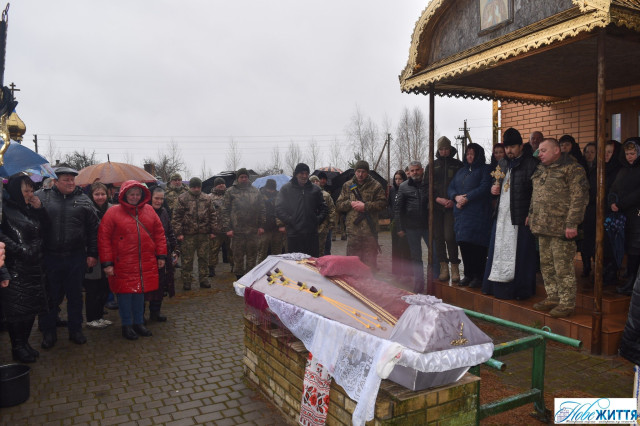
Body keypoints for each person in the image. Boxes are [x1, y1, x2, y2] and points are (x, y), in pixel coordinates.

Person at [37, 166, 100, 348]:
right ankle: (49, 331)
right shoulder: (42, 197)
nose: (71, 183)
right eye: (66, 179)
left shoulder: (84, 200)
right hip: (50, 256)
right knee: (50, 296)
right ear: (55, 181)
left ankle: (76, 330)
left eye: (72, 179)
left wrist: (92, 253)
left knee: (75, 296)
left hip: (75, 257)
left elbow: (93, 230)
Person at [98, 181, 167, 340]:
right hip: (123, 262)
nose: (135, 197)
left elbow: (159, 234)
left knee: (140, 293)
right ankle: (127, 325)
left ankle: (138, 322)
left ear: (142, 195)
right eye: (131, 194)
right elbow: (104, 239)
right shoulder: (113, 212)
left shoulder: (149, 210)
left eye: (137, 194)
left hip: (144, 260)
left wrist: (161, 255)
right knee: (125, 295)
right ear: (124, 195)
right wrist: (107, 263)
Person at [529, 138, 589, 318]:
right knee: (547, 266)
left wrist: (572, 224)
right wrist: (531, 214)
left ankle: (567, 303)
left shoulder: (573, 169)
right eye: (539, 151)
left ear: (556, 150)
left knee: (563, 267)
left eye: (543, 150)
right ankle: (553, 297)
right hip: (542, 227)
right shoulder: (541, 169)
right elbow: (536, 195)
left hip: (562, 228)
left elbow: (579, 198)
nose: (539, 154)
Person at [482, 128, 539, 300]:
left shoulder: (531, 163)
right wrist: (493, 188)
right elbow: (495, 182)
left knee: (521, 254)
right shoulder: (502, 164)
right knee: (498, 251)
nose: (509, 151)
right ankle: (495, 287)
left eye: (513, 147)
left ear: (521, 146)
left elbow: (536, 193)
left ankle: (520, 290)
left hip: (520, 216)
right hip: (502, 216)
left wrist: (531, 213)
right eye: (507, 147)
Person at [0, 174, 48, 362]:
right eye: (26, 191)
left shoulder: (28, 209)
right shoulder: (4, 209)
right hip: (15, 267)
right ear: (15, 191)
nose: (30, 194)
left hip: (33, 267)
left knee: (30, 309)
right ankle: (17, 346)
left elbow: (46, 229)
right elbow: (1, 236)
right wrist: (20, 250)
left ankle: (25, 343)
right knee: (17, 311)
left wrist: (40, 210)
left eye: (31, 190)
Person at [448, 143, 492, 288]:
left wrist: (467, 198)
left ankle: (478, 276)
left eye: (472, 154)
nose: (469, 156)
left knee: (477, 246)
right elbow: (451, 187)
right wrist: (456, 197)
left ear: (478, 155)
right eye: (467, 154)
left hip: (478, 214)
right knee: (464, 244)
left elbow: (485, 187)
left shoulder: (485, 169)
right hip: (462, 216)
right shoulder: (461, 171)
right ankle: (468, 274)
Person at [336, 160, 386, 269]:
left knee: (370, 265)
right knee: (353, 264)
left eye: (363, 171)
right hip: (353, 232)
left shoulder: (376, 186)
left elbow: (383, 204)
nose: (360, 174)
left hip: (370, 232)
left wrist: (366, 206)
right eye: (358, 171)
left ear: (367, 172)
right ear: (355, 171)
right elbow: (339, 205)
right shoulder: (348, 185)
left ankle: (370, 279)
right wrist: (350, 203)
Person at [583, 140, 621, 283]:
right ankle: (598, 270)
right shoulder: (596, 169)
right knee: (593, 243)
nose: (606, 155)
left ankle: (610, 272)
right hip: (593, 211)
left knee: (608, 244)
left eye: (609, 152)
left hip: (610, 213)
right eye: (604, 152)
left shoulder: (618, 170)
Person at [429, 136, 463, 282]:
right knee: (438, 237)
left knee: (450, 236)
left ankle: (454, 267)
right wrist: (437, 199)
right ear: (438, 150)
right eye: (441, 149)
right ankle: (444, 267)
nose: (444, 151)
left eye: (446, 149)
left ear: (450, 149)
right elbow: (426, 187)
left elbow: (462, 185)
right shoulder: (432, 165)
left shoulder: (458, 165)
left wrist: (453, 200)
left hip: (451, 206)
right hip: (436, 207)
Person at [171, 177, 215, 290]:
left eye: (198, 187)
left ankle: (204, 279)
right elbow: (176, 217)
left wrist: (213, 231)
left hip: (204, 234)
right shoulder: (182, 198)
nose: (196, 189)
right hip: (188, 235)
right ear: (190, 187)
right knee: (187, 259)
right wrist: (179, 233)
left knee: (204, 258)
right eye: (194, 187)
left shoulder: (207, 198)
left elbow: (212, 215)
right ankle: (187, 280)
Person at [609, 138, 640, 295]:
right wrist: (611, 201)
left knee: (636, 246)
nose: (630, 157)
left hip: (637, 215)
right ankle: (630, 277)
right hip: (624, 216)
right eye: (627, 154)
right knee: (629, 246)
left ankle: (633, 281)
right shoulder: (623, 170)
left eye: (633, 153)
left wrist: (621, 204)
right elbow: (614, 188)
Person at [394, 161, 431, 293]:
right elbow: (398, 209)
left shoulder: (428, 184)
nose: (415, 172)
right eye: (412, 170)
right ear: (409, 172)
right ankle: (419, 285)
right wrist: (400, 227)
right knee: (416, 257)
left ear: (422, 170)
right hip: (411, 227)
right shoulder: (404, 186)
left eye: (417, 170)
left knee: (434, 254)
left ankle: (433, 283)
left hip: (428, 226)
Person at [276, 163, 327, 257]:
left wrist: (317, 220)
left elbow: (323, 207)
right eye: (302, 173)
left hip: (311, 234)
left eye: (306, 173)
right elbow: (279, 208)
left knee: (312, 261)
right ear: (296, 174)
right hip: (294, 234)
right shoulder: (286, 189)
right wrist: (290, 220)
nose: (304, 176)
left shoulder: (315, 189)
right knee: (295, 261)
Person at [223, 168, 265, 279]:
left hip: (252, 230)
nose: (244, 179)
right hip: (237, 231)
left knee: (252, 256)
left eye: (246, 177)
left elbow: (262, 209)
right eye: (241, 177)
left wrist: (261, 226)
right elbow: (225, 210)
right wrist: (228, 228)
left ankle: (250, 278)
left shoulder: (255, 191)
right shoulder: (230, 191)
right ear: (238, 178)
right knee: (238, 256)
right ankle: (239, 278)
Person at [84, 182, 114, 329]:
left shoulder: (112, 209)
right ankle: (91, 318)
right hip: (93, 253)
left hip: (108, 254)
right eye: (97, 194)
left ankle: (99, 315)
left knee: (104, 288)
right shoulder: (87, 210)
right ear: (92, 195)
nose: (100, 197)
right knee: (92, 289)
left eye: (103, 194)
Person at [146, 186, 178, 321]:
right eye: (156, 198)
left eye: (161, 199)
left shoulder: (164, 212)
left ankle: (155, 312)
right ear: (150, 198)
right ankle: (140, 316)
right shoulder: (144, 212)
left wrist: (175, 249)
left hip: (164, 253)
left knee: (160, 284)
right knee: (148, 286)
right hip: (149, 254)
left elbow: (169, 231)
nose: (159, 201)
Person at [388, 170, 412, 278]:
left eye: (400, 179)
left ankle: (408, 271)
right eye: (396, 179)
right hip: (394, 222)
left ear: (404, 179)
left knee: (405, 247)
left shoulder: (408, 189)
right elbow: (389, 204)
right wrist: (391, 214)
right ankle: (396, 271)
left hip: (405, 222)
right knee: (395, 247)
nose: (398, 181)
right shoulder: (392, 190)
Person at [208, 177, 232, 276]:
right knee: (213, 250)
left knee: (232, 250)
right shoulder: (209, 197)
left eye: (222, 183)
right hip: (216, 229)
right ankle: (211, 269)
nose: (221, 185)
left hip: (229, 229)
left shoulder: (230, 195)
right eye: (219, 184)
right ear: (215, 186)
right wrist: (210, 230)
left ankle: (234, 267)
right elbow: (206, 214)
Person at [257, 179, 284, 262]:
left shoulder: (279, 196)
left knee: (277, 253)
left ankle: (276, 268)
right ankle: (260, 268)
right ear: (266, 187)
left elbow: (282, 211)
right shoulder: (259, 196)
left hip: (277, 229)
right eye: (269, 189)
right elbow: (256, 212)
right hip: (264, 229)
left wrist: (281, 225)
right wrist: (260, 226)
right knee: (262, 253)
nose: (271, 191)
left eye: (273, 189)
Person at [310, 175, 336, 256]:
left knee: (325, 249)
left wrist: (331, 223)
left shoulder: (326, 195)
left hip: (324, 227)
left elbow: (332, 209)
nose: (315, 182)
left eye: (317, 181)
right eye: (313, 181)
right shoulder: (305, 194)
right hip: (310, 227)